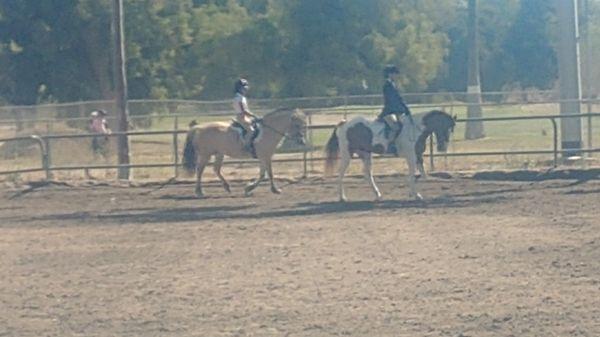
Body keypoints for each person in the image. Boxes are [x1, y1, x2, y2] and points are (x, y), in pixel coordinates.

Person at [377, 65, 413, 143]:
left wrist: (406, 110)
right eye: (395, 74)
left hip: (394, 111)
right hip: (389, 112)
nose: (396, 76)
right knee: (395, 127)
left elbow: (399, 99)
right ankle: (390, 145)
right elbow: (391, 101)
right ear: (390, 74)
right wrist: (399, 111)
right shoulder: (387, 86)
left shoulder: (393, 85)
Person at [233, 78, 258, 153]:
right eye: (243, 88)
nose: (245, 90)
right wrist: (254, 116)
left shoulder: (242, 97)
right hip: (242, 117)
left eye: (246, 88)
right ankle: (246, 147)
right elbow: (244, 111)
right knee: (251, 131)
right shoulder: (238, 98)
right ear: (239, 89)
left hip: (245, 117)